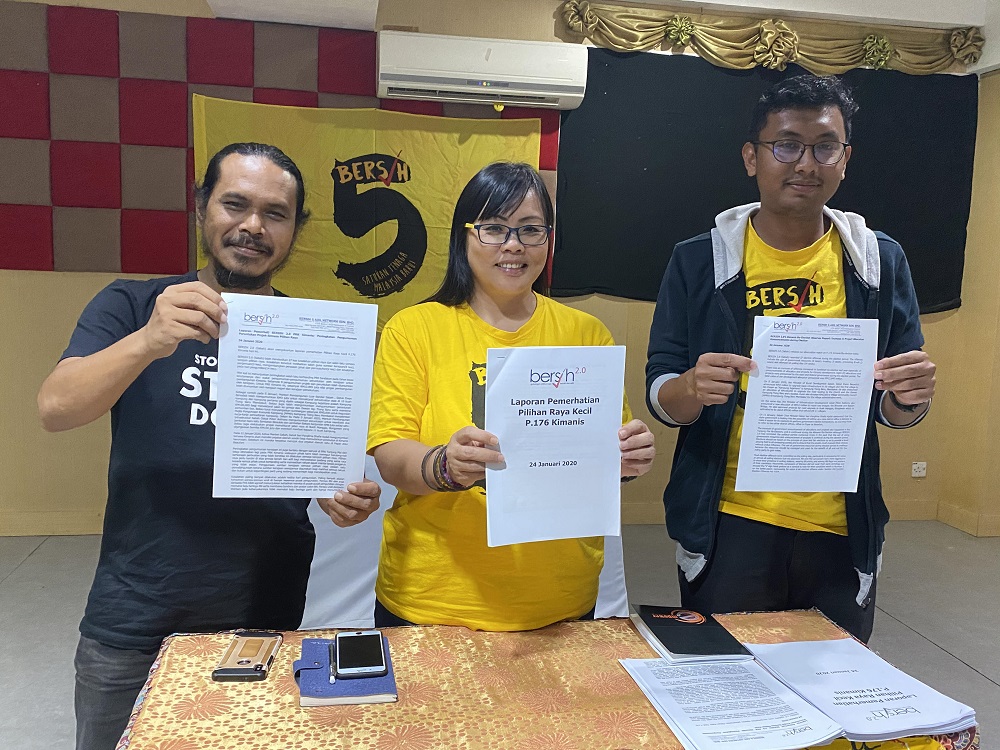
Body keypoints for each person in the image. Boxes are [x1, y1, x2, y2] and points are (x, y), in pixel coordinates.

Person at [37, 142, 382, 750]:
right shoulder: (134, 306)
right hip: (138, 608)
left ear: (295, 231)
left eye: (275, 214)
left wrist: (335, 486)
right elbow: (57, 408)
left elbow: (316, 457)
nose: (252, 226)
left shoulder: (305, 335)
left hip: (264, 607)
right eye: (235, 204)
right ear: (202, 209)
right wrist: (148, 341)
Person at [645, 75, 936, 643]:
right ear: (752, 157)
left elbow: (893, 409)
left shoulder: (879, 262)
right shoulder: (697, 261)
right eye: (787, 145)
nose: (806, 162)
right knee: (731, 689)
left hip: (840, 526)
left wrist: (909, 397)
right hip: (729, 522)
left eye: (825, 146)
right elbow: (662, 392)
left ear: (845, 159)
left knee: (833, 689)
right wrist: (691, 388)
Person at [368, 162, 656, 630]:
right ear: (464, 236)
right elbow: (390, 453)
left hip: (559, 598)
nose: (513, 245)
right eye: (494, 228)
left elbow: (601, 455)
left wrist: (626, 459)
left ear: (549, 237)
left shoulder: (587, 334)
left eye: (530, 230)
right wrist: (445, 464)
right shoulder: (414, 329)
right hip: (434, 602)